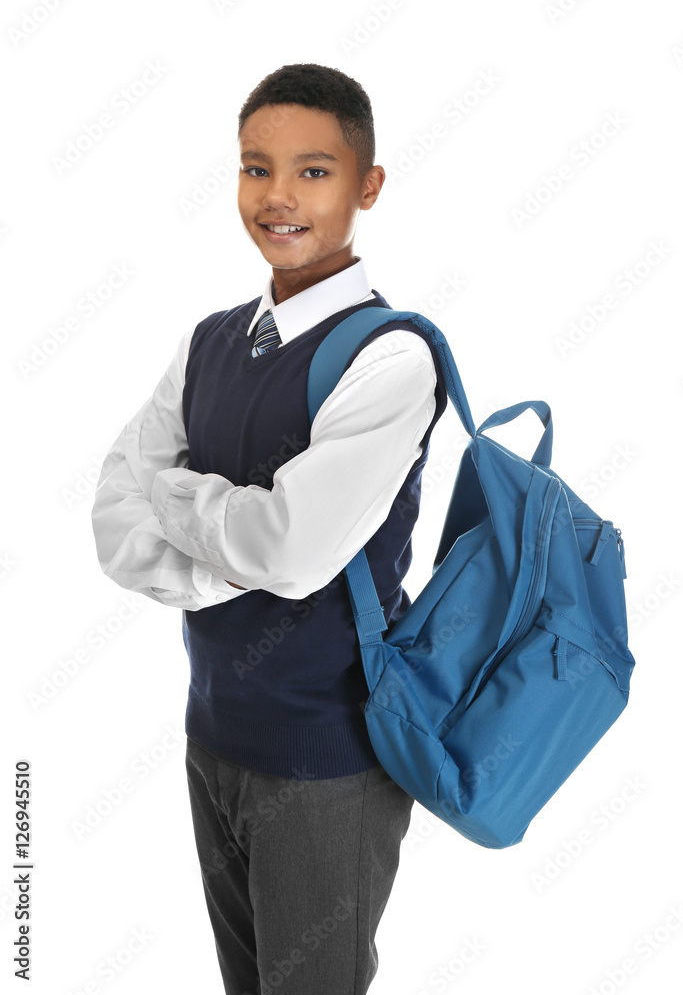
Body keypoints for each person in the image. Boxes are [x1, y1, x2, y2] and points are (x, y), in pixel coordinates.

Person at [91, 62, 448, 995]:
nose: (278, 196)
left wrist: (177, 495)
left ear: (369, 185)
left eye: (314, 171)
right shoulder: (209, 340)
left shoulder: (391, 357)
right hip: (212, 733)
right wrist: (229, 552)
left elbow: (288, 551)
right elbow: (114, 519)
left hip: (327, 757)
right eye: (257, 168)